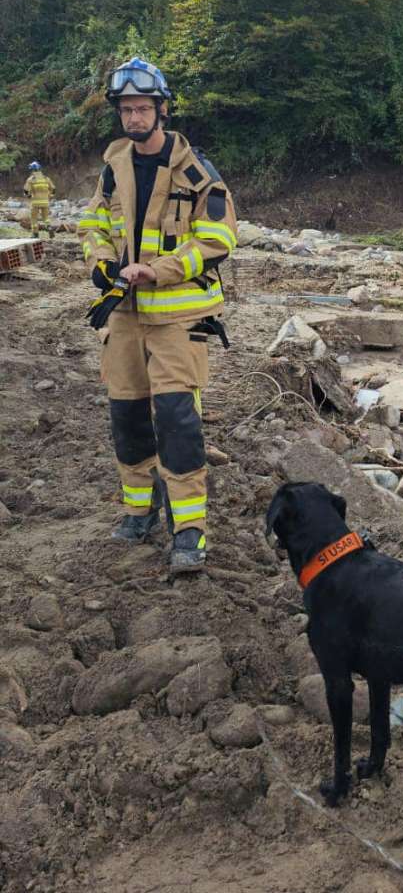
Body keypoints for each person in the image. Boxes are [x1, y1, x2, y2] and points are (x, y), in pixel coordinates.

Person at [78, 57, 237, 575]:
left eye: (143, 108)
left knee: (176, 421)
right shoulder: (115, 163)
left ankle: (189, 530)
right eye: (126, 109)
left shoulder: (195, 171)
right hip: (123, 315)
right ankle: (138, 510)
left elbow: (218, 240)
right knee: (126, 417)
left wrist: (160, 270)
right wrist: (101, 262)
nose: (134, 117)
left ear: (162, 110)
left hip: (176, 320)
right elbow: (94, 222)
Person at [23, 161, 55, 237]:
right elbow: (53, 189)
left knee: (34, 218)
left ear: (32, 170)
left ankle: (35, 234)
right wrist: (50, 196)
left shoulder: (31, 179)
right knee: (46, 218)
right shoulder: (46, 178)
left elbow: (26, 190)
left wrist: (29, 196)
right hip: (45, 202)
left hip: (35, 202)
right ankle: (49, 227)